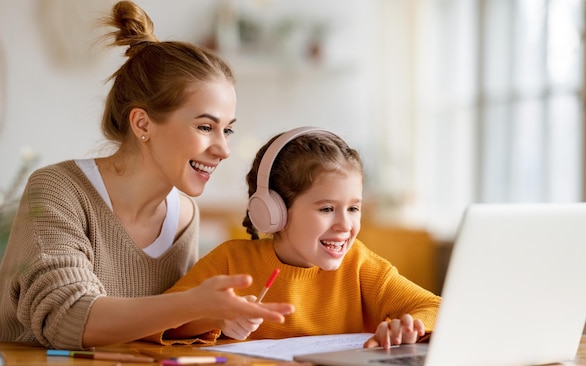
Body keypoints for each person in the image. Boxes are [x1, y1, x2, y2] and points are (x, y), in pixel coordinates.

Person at [0, 1, 293, 350]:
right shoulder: (58, 189)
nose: (223, 149)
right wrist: (192, 304)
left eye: (227, 130)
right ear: (142, 123)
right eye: (205, 126)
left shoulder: (184, 216)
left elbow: (156, 327)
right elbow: (67, 319)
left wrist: (216, 316)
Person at [147, 127, 442, 349]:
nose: (345, 224)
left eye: (353, 208)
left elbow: (438, 309)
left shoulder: (360, 265)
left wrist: (411, 327)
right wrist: (218, 320)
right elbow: (160, 319)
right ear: (274, 211)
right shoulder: (230, 261)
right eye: (327, 208)